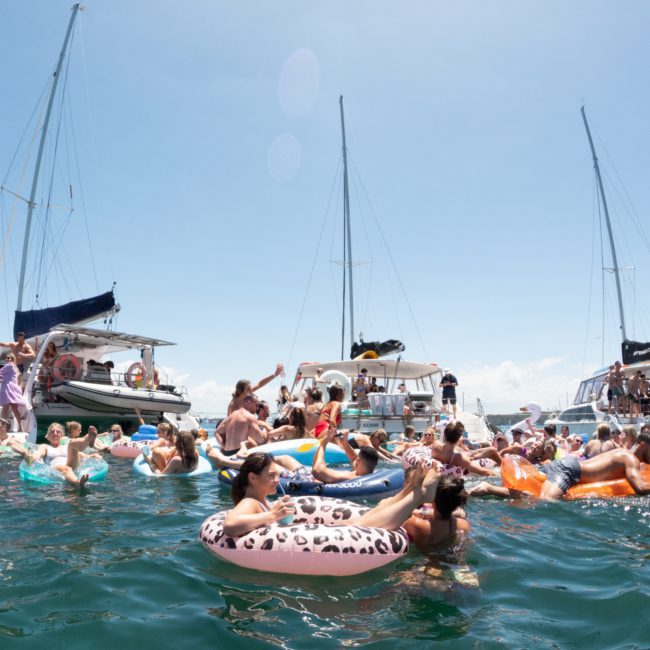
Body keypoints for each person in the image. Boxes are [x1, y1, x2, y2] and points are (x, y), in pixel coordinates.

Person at [222, 450, 440, 537]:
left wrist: (275, 512)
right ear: (252, 478)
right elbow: (230, 525)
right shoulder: (249, 502)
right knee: (363, 526)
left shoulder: (258, 501)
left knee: (372, 513)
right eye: (270, 476)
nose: (277, 480)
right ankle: (416, 495)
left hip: (299, 532)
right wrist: (272, 515)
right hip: (302, 539)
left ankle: (412, 490)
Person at [20, 422, 99, 487]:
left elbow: (81, 455)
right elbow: (38, 454)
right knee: (67, 468)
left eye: (58, 432)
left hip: (72, 465)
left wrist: (92, 456)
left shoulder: (66, 446)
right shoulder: (45, 447)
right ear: (48, 435)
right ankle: (78, 483)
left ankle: (89, 441)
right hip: (56, 470)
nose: (55, 433)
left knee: (72, 444)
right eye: (52, 432)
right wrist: (31, 458)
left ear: (61, 435)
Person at [404, 476, 470, 549]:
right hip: (451, 558)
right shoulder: (464, 525)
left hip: (425, 560)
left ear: (433, 497)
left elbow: (397, 517)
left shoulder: (415, 523)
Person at [0, 353, 27, 431]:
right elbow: (4, 376)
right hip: (12, 389)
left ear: (12, 359)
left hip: (8, 388)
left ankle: (3, 428)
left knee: (5, 409)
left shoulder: (9, 365)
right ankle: (20, 427)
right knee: (14, 409)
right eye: (6, 357)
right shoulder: (14, 367)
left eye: (9, 358)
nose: (7, 359)